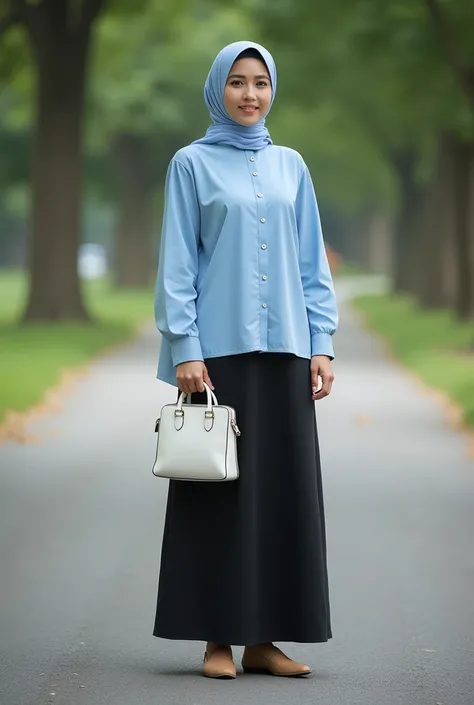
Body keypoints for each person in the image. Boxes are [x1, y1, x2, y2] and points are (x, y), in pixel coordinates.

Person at [153, 40, 338, 679]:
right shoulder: (190, 164)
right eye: (237, 82)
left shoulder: (291, 166)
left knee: (281, 496)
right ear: (217, 89)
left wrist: (323, 343)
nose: (250, 94)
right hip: (217, 354)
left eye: (260, 82)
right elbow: (178, 263)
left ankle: (265, 641)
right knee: (219, 499)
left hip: (286, 350)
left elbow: (312, 263)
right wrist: (184, 348)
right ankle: (217, 640)